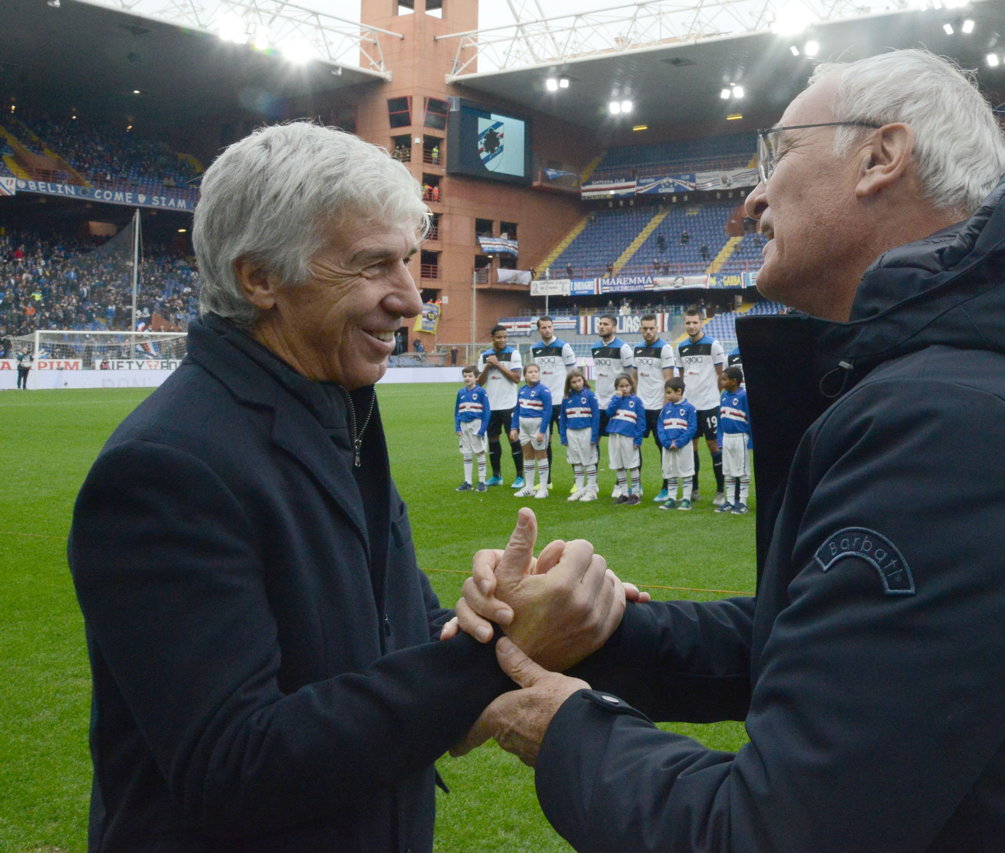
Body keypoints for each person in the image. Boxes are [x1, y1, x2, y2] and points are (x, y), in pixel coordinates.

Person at [453, 48, 1005, 851]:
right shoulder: (965, 383)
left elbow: (777, 832)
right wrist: (608, 635)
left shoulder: (961, 421)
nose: (752, 197)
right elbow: (842, 649)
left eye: (778, 153)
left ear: (881, 157)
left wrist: (567, 727)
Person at [66, 122, 630, 852]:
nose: (411, 299)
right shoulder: (166, 470)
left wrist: (499, 611)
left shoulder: (338, 410)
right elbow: (236, 763)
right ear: (260, 278)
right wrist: (486, 656)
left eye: (410, 261)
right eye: (373, 266)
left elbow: (400, 639)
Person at [676, 307, 726, 503]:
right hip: (690, 407)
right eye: (688, 323)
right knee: (691, 447)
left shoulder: (713, 345)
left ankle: (721, 491)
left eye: (694, 322)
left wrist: (713, 395)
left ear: (701, 323)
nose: (691, 326)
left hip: (710, 405)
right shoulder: (681, 347)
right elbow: (681, 377)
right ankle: (693, 490)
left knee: (713, 445)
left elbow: (721, 375)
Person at [633, 313, 677, 501]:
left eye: (651, 328)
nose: (648, 331)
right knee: (635, 447)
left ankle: (667, 487)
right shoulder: (637, 349)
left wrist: (665, 408)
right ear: (640, 329)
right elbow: (634, 378)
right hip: (641, 407)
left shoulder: (665, 349)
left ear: (657, 328)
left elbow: (668, 380)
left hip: (658, 408)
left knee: (663, 448)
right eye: (645, 328)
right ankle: (636, 485)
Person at [590, 314, 636, 494]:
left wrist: (627, 398)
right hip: (599, 403)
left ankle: (621, 483)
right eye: (600, 324)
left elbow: (630, 376)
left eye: (606, 324)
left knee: (620, 444)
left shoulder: (623, 348)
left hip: (617, 404)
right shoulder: (595, 348)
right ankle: (592, 483)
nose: (601, 327)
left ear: (614, 327)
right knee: (594, 442)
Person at [529, 315, 576, 487]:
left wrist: (569, 395)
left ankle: (577, 481)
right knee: (543, 442)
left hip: (561, 402)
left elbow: (573, 373)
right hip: (543, 404)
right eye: (543, 327)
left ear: (553, 327)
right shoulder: (535, 349)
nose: (547, 330)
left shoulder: (564, 347)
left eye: (549, 327)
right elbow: (534, 375)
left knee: (569, 440)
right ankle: (546, 481)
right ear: (539, 329)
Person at [479, 324, 524, 488]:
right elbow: (480, 382)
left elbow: (517, 378)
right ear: (492, 338)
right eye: (499, 337)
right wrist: (487, 367)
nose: (502, 340)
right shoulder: (485, 356)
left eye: (505, 337)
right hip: (491, 405)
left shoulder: (513, 353)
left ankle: (520, 476)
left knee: (513, 438)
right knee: (492, 440)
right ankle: (496, 475)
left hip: (509, 405)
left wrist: (498, 364)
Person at [511, 363, 553, 499]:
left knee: (541, 455)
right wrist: (514, 427)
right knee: (527, 455)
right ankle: (529, 487)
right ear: (525, 375)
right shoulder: (522, 390)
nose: (534, 374)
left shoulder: (544, 391)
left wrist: (542, 431)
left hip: (537, 426)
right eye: (530, 372)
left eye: (536, 371)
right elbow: (517, 410)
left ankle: (543, 488)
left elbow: (548, 412)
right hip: (524, 428)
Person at [655, 376, 697, 510]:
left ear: (679, 391)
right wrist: (666, 442)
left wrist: (679, 442)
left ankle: (686, 499)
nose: (666, 396)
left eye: (669, 392)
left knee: (686, 472)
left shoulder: (689, 408)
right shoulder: (666, 409)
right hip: (668, 446)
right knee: (670, 471)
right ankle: (671, 498)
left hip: (683, 446)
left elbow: (692, 428)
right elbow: (660, 426)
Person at [714, 366, 751, 514]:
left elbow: (750, 419)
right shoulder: (723, 395)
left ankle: (742, 502)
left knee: (742, 470)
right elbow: (720, 418)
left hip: (740, 437)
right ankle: (729, 500)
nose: (721, 382)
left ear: (734, 381)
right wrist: (720, 438)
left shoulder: (744, 396)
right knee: (728, 470)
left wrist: (751, 440)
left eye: (724, 379)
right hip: (727, 438)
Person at [559, 367, 600, 502]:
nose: (577, 384)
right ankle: (579, 489)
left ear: (584, 380)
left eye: (579, 380)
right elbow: (563, 418)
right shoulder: (566, 398)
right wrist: (563, 436)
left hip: (586, 431)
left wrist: (594, 436)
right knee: (576, 461)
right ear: (569, 384)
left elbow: (596, 417)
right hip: (572, 432)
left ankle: (592, 490)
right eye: (574, 382)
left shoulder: (590, 395)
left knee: (589, 461)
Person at [604, 374, 645, 505]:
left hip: (629, 436)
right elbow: (608, 412)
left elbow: (641, 422)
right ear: (617, 387)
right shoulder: (615, 399)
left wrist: (637, 440)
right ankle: (624, 493)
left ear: (631, 386)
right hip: (614, 436)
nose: (624, 388)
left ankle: (636, 493)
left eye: (627, 385)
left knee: (632, 465)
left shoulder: (636, 401)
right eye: (621, 386)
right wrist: (617, 397)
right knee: (619, 465)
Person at [455, 364, 491, 492]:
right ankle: (468, 482)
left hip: (477, 424)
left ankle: (482, 481)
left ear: (476, 378)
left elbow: (487, 412)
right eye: (465, 376)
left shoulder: (481, 392)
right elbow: (457, 411)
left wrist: (482, 429)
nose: (467, 378)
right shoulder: (461, 392)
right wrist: (457, 426)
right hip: (464, 425)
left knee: (479, 452)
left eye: (470, 376)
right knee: (467, 453)